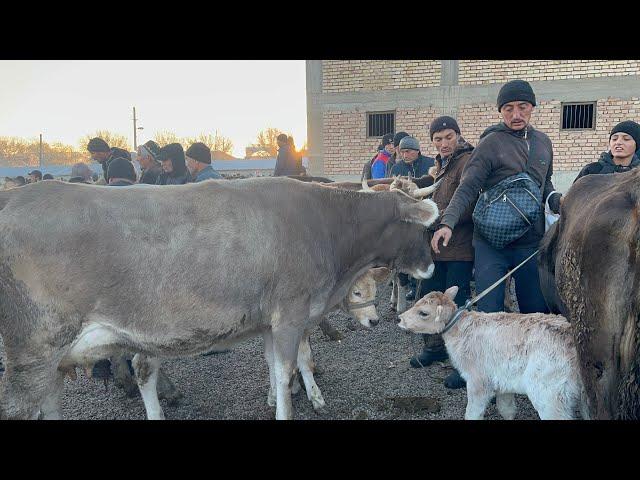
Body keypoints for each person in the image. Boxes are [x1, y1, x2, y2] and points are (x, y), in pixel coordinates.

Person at [432, 79, 562, 315]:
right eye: (508, 108)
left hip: (530, 241)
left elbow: (545, 182)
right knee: (489, 313)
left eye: (523, 106)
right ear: (500, 111)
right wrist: (447, 223)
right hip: (491, 243)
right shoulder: (490, 144)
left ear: (532, 107)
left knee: (535, 313)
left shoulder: (543, 143)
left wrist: (555, 199)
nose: (516, 114)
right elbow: (467, 187)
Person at [408, 116, 475, 390]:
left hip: (459, 247)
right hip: (435, 249)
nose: (444, 143)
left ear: (458, 136)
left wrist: (432, 218)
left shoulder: (468, 161)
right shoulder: (441, 165)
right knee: (429, 297)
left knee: (456, 307)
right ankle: (435, 347)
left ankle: (464, 362)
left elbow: (467, 201)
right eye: (438, 139)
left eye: (449, 137)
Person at [574, 120, 640, 182]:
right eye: (614, 139)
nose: (618, 142)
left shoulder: (638, 174)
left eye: (626, 139)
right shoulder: (591, 170)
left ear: (637, 144)